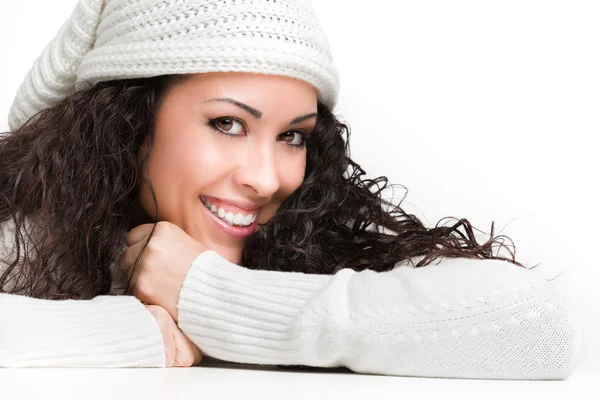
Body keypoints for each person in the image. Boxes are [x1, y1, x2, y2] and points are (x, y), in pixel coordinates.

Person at [0, 0, 582, 379]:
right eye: (227, 124)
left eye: (293, 137)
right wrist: (139, 333)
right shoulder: (28, 241)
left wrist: (210, 297)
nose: (267, 178)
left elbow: (536, 328)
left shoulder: (301, 240)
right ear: (128, 123)